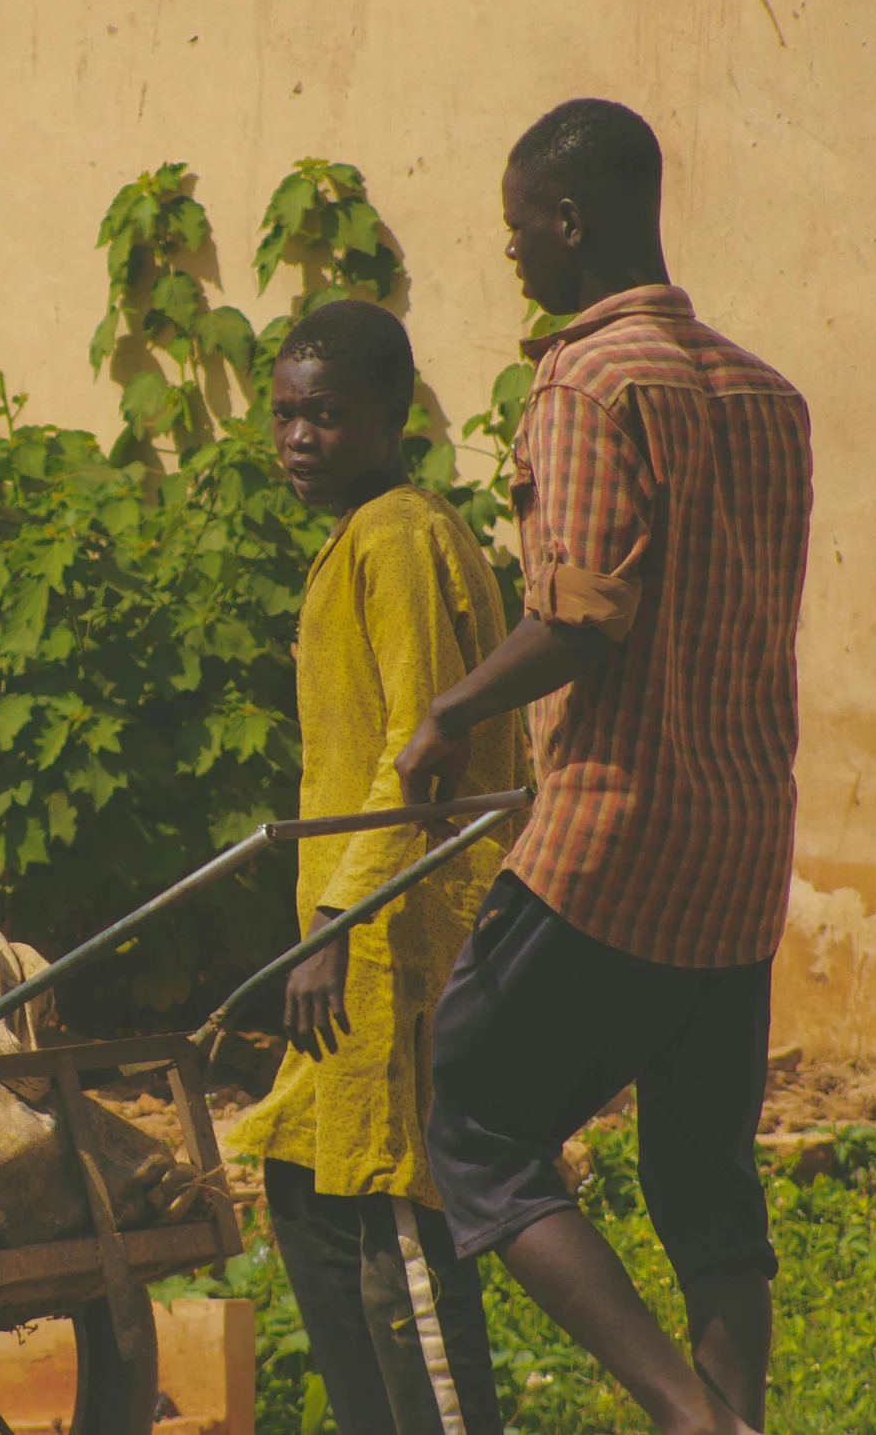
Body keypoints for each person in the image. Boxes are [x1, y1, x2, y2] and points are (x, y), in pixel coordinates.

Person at [395, 99, 814, 1435]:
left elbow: (580, 612)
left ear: (566, 223)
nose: (510, 254)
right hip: (743, 850)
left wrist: (446, 714)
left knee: (469, 1110)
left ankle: (682, 1415)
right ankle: (735, 1421)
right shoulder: (766, 395)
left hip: (613, 843)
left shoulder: (585, 381)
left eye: (516, 228)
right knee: (701, 1172)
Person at [227, 298, 527, 1435]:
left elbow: (419, 748)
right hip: (347, 938)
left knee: (394, 1224)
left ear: (392, 417)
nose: (300, 440)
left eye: (328, 418)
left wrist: (338, 919)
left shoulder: (399, 536)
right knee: (304, 1193)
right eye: (287, 416)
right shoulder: (360, 536)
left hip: (386, 937)